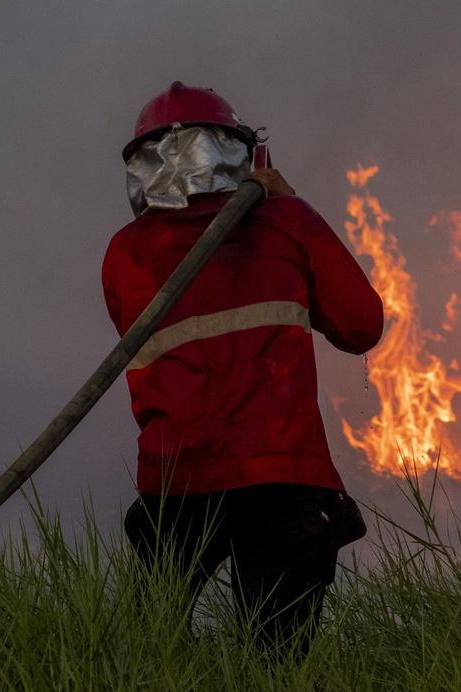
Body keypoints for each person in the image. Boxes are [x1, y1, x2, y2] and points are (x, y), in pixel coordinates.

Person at [102, 81, 384, 652]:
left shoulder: (125, 253)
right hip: (283, 480)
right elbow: (360, 327)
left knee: (150, 654)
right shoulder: (287, 222)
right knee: (277, 661)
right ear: (242, 152)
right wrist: (284, 203)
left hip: (175, 484)